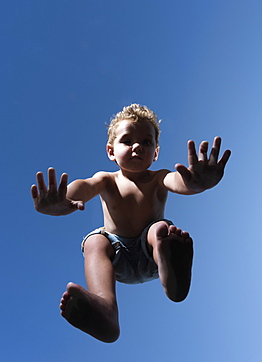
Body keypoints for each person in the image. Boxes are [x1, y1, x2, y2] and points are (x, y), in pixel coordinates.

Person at [31, 104, 231, 343]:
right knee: (95, 241)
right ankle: (105, 311)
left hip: (154, 255)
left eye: (146, 142)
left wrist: (197, 183)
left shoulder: (158, 177)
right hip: (117, 260)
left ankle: (173, 275)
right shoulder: (106, 180)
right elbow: (83, 187)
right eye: (127, 141)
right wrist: (61, 200)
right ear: (111, 151)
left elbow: (178, 181)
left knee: (160, 229)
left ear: (155, 153)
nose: (137, 146)